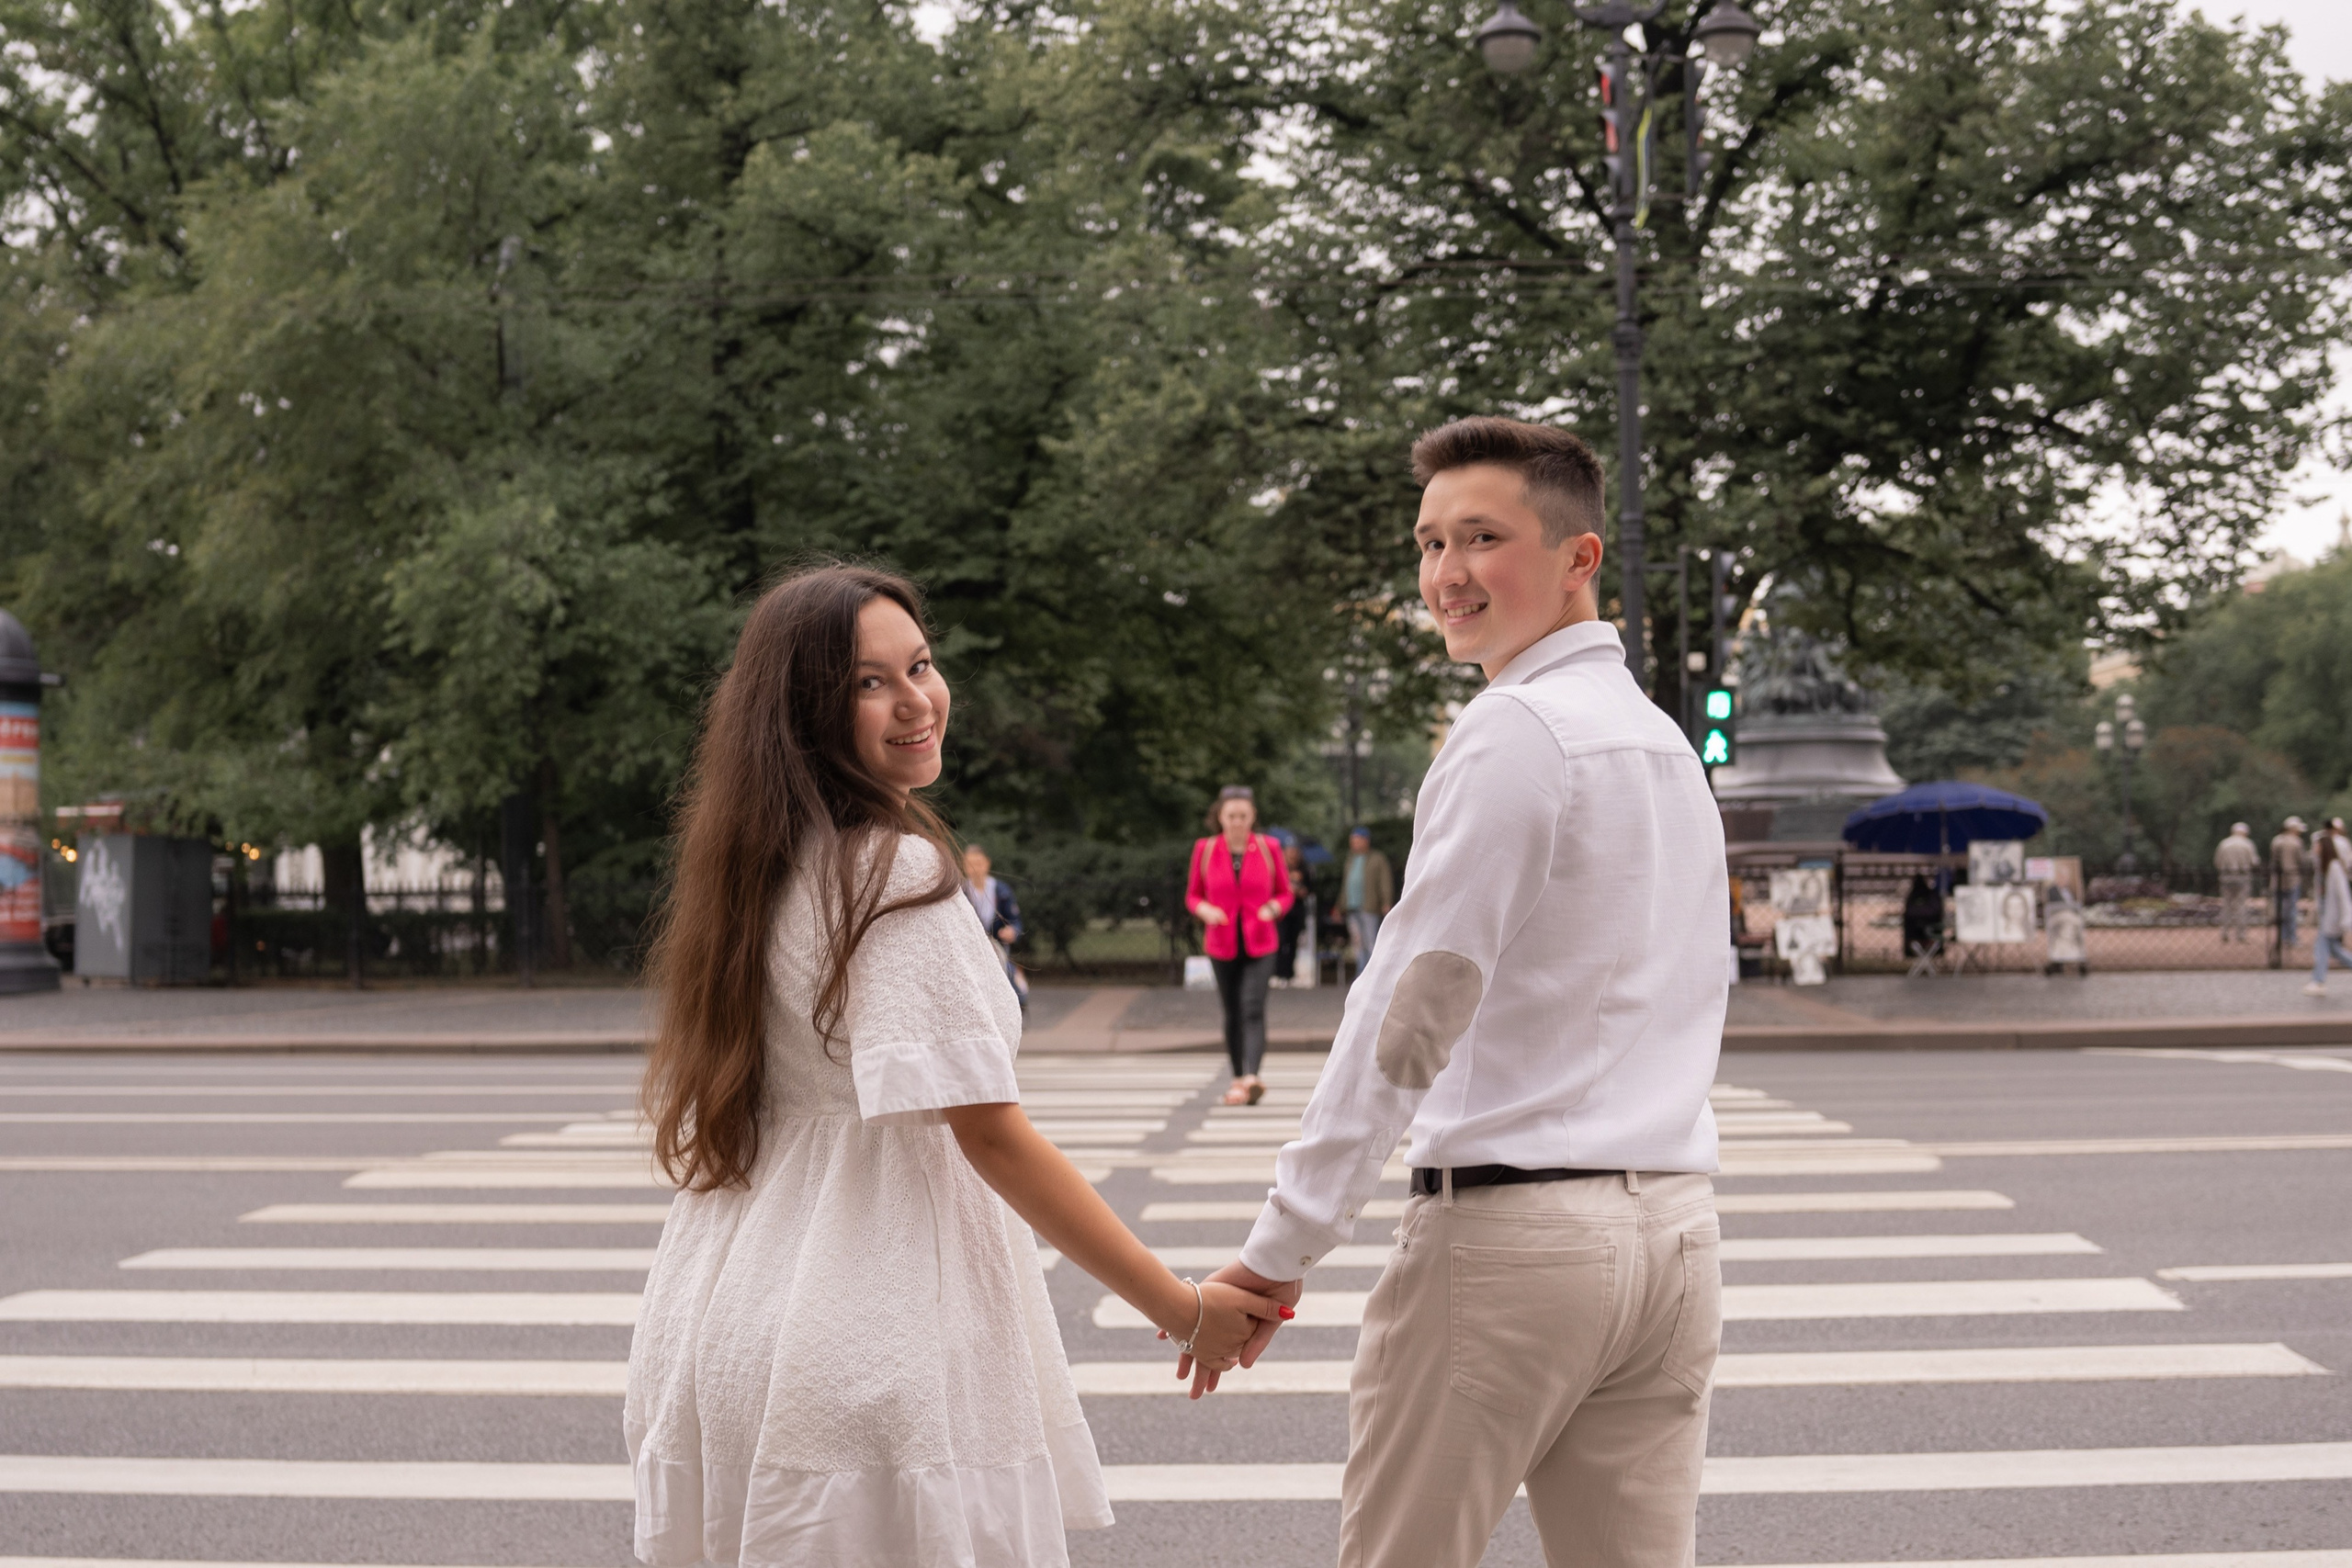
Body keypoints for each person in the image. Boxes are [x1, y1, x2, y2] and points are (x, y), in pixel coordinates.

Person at [628, 565, 1286, 1568]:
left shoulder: (755, 868)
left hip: (727, 1317)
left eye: (921, 666)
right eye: (867, 683)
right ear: (804, 709)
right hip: (874, 1339)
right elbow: (991, 1136)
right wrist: (1182, 1309)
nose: (915, 700)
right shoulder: (890, 877)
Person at [1192, 417, 1728, 1568]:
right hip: (1673, 1238)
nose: (1444, 574)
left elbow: (1409, 1015)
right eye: (1430, 542)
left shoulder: (1513, 734)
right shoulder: (1662, 746)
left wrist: (1279, 1251)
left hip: (1513, 1243)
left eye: (1481, 538)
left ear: (1579, 558)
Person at [1186, 784, 1295, 1106]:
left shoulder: (1268, 847)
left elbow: (1285, 893)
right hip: (1221, 942)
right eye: (1231, 815)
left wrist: (1273, 908)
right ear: (1220, 816)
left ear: (1253, 817)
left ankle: (1252, 1077)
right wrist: (1204, 909)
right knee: (1231, 1010)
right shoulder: (1205, 849)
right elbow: (1193, 895)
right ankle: (1236, 1078)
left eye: (1243, 816)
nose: (1237, 821)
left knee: (1252, 1006)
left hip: (1261, 940)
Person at [960, 842, 1027, 1007]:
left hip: (998, 952)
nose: (975, 868)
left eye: (979, 863)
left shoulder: (1001, 890)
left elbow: (1016, 922)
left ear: (987, 864)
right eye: (971, 864)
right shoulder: (960, 892)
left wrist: (1012, 932)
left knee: (1013, 989)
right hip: (970, 955)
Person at [1340, 826, 1395, 979]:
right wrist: (1340, 905)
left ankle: (1374, 975)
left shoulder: (1377, 858)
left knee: (1371, 941)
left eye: (1357, 841)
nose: (1354, 844)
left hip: (1369, 907)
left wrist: (1386, 902)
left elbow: (1385, 881)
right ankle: (1361, 973)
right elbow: (1346, 884)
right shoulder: (1350, 859)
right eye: (1352, 841)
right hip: (1352, 906)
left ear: (1366, 841)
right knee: (1357, 942)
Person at [2307, 825, 2352, 996]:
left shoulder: (2333, 867)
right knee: (2334, 950)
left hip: (2333, 917)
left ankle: (2318, 981)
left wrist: (2347, 918)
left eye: (2317, 846)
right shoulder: (2323, 867)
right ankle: (2317, 981)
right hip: (2328, 915)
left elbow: (2343, 895)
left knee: (2322, 947)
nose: (2314, 849)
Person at [1272, 838, 1311, 987]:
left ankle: (1289, 974)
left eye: (1295, 851)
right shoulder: (1279, 868)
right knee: (1280, 941)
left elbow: (1309, 890)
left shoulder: (1304, 869)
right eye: (1289, 851)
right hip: (1282, 911)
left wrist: (1300, 889)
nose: (1292, 854)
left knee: (1293, 942)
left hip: (1297, 910)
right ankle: (1277, 972)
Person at [2214, 822, 2259, 943]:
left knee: (2226, 905)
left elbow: (2217, 862)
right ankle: (2241, 935)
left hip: (2226, 876)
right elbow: (2254, 861)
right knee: (2241, 905)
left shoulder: (2224, 843)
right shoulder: (2247, 844)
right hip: (2242, 876)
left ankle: (2224, 932)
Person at [2273, 816, 2310, 949]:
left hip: (2278, 880)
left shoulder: (2276, 841)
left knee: (2281, 910)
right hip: (2293, 879)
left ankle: (2282, 938)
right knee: (2292, 910)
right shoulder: (2296, 842)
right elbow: (2303, 861)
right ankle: (2292, 938)